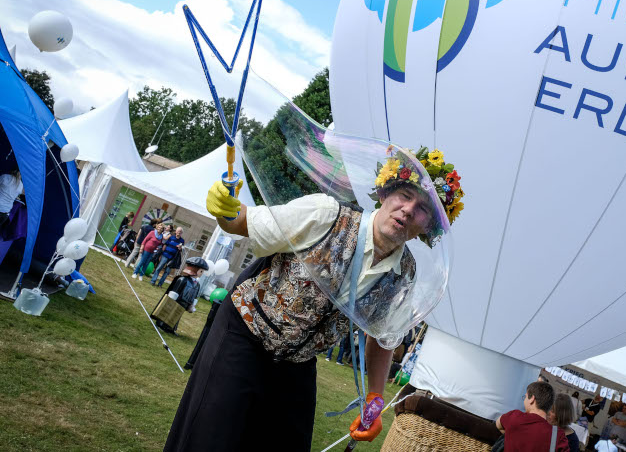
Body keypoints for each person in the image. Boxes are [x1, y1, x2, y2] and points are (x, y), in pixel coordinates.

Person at [163, 146, 464, 451]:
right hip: (245, 334)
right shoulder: (326, 214)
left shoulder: (405, 274)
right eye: (405, 195)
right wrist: (226, 210)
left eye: (423, 208)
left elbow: (382, 336)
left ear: (428, 227)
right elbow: (246, 222)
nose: (409, 210)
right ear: (385, 193)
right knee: (211, 435)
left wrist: (375, 396)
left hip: (298, 363)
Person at [495, 381, 569, 452]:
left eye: (525, 397)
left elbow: (498, 424)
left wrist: (511, 435)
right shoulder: (557, 435)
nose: (524, 401)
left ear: (532, 399)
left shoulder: (514, 417)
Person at [154, 256, 208, 334]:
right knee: (169, 313)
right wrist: (171, 300)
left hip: (184, 303)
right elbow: (175, 291)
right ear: (195, 270)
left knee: (177, 316)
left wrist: (192, 305)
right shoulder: (182, 279)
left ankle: (171, 328)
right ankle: (161, 324)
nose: (202, 273)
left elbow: (195, 295)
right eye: (201, 271)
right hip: (177, 301)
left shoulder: (197, 284)